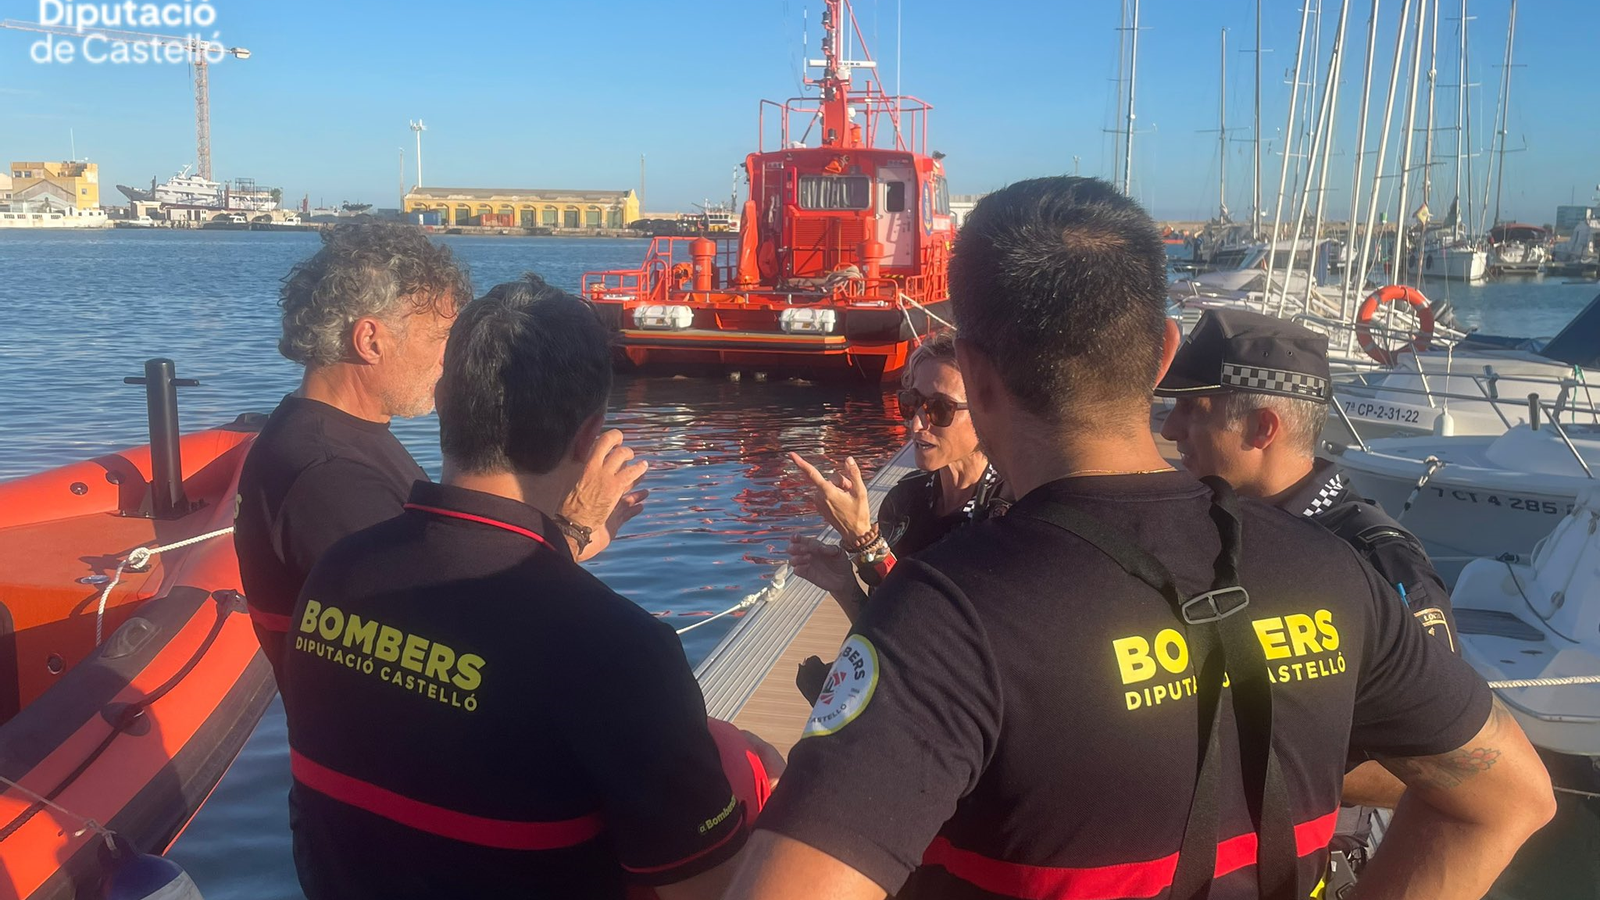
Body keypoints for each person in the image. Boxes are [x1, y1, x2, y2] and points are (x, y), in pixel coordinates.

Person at [724, 176, 1554, 900]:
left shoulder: (947, 620)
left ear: (975, 378)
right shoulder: (1330, 567)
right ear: (1161, 354)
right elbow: (1511, 798)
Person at [280, 276, 774, 900]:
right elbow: (711, 889)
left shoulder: (337, 573)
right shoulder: (622, 651)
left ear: (444, 400)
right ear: (587, 436)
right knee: (747, 765)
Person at [236, 225, 643, 682]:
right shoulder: (330, 478)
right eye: (440, 339)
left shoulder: (328, 436)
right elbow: (442, 642)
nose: (452, 361)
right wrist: (570, 533)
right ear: (370, 341)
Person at [1156, 308, 1461, 870]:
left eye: (1189, 410)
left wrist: (1226, 766)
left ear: (1262, 428)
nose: (1169, 430)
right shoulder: (1211, 531)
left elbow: (1443, 765)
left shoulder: (1374, 560)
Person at [787, 331, 1007, 625]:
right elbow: (883, 634)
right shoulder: (904, 501)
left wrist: (864, 542)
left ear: (985, 412)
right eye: (911, 402)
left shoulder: (1007, 516)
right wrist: (844, 586)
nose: (916, 423)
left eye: (940, 408)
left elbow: (934, 637)